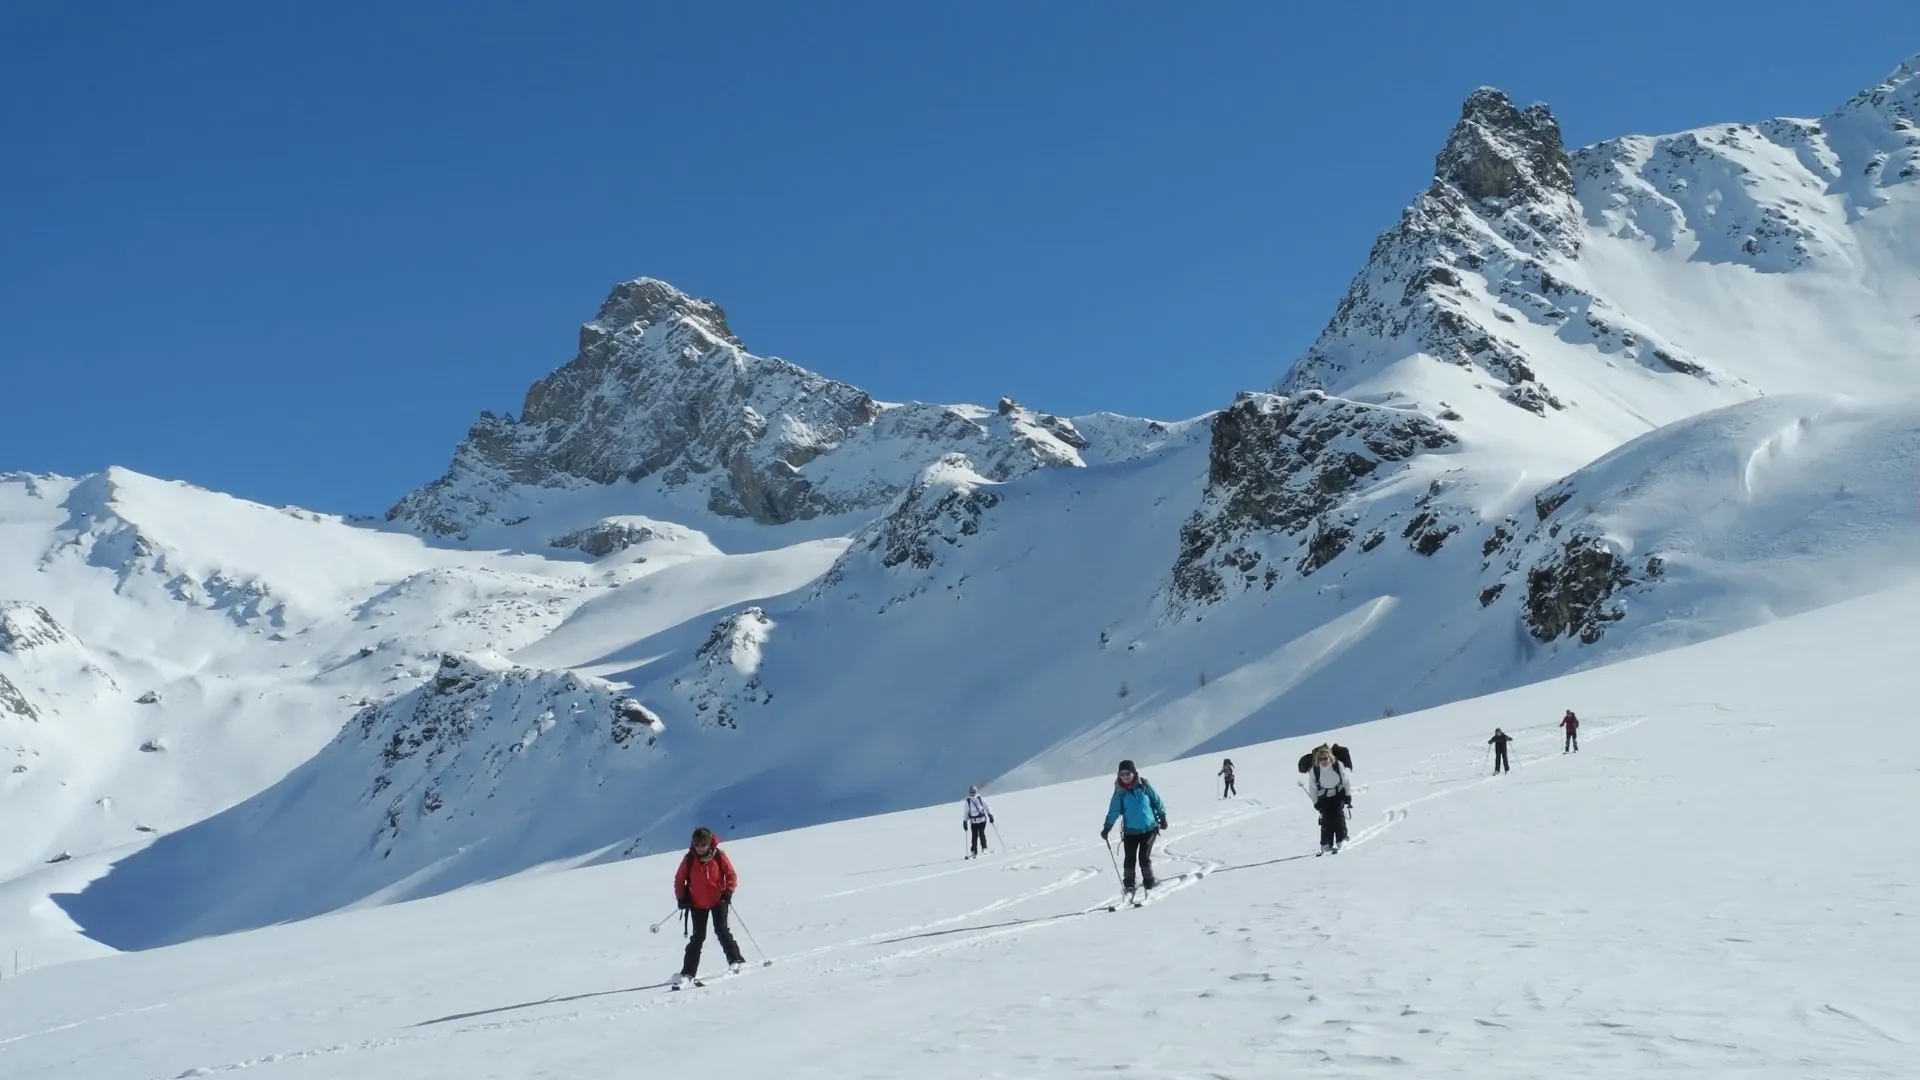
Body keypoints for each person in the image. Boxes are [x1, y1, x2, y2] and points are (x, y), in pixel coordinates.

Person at [672, 827, 745, 987]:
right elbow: (679, 879)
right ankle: (688, 972)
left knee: (721, 930)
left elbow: (730, 874)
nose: (699, 848)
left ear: (709, 843)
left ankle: (735, 959)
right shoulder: (689, 859)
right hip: (697, 903)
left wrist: (728, 891)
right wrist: (681, 897)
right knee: (697, 937)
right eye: (697, 845)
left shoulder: (719, 856)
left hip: (718, 901)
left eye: (703, 844)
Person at [1100, 759, 1167, 900]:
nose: (1124, 776)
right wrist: (1107, 827)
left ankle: (1149, 882)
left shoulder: (1144, 785)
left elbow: (1156, 801)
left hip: (1149, 829)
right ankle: (1129, 884)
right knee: (1129, 859)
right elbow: (1114, 811)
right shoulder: (1119, 792)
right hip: (1131, 831)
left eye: (1127, 773)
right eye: (1121, 774)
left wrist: (1162, 816)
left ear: (1134, 773)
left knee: (1143, 857)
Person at [1302, 745, 1351, 854]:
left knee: (1338, 816)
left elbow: (1346, 781)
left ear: (1330, 757)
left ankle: (1342, 839)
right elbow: (1312, 788)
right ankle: (1325, 843)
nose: (1323, 761)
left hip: (1338, 794)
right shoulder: (1314, 771)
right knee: (1326, 819)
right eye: (1320, 759)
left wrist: (1348, 796)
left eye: (1325, 758)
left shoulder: (1338, 765)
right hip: (1324, 797)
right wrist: (1316, 803)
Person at [962, 785, 994, 858]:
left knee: (981, 833)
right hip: (973, 822)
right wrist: (965, 821)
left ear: (976, 792)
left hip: (982, 820)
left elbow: (987, 807)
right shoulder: (968, 801)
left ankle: (984, 848)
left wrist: (990, 815)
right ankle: (974, 851)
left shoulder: (980, 799)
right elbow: (966, 812)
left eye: (974, 792)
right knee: (974, 836)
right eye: (971, 792)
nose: (972, 794)